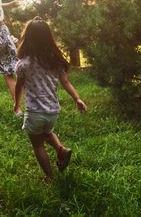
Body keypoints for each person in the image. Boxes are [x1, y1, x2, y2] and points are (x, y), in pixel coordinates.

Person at [14, 17, 88, 182]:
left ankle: (50, 177)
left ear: (27, 38)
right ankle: (61, 150)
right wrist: (78, 99)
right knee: (47, 132)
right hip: (52, 111)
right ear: (48, 38)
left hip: (34, 112)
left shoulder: (23, 64)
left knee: (38, 145)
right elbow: (66, 82)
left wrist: (17, 104)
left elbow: (19, 86)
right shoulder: (55, 62)